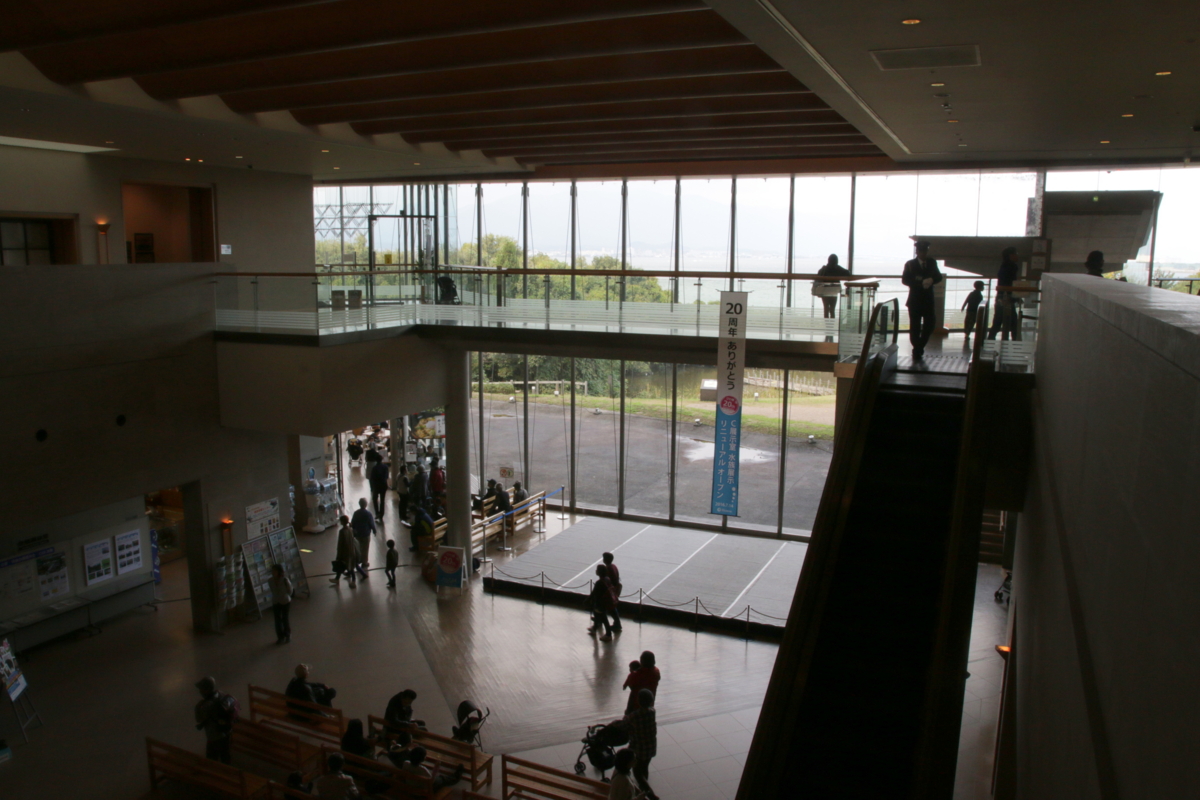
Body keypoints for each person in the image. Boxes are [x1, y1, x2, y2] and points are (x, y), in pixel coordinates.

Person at [901, 240, 943, 359]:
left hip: (928, 299)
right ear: (917, 251)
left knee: (930, 324)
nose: (923, 253)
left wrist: (931, 280)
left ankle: (919, 346)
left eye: (925, 251)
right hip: (915, 300)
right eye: (921, 251)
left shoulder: (932, 262)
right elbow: (905, 280)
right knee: (915, 326)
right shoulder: (910, 264)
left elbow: (938, 276)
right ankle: (917, 347)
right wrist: (920, 283)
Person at [624, 689, 659, 800]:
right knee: (644, 767)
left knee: (637, 773)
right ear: (651, 701)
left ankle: (650, 795)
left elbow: (625, 724)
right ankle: (645, 787)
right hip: (650, 748)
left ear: (638, 701)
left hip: (639, 749)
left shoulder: (633, 716)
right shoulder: (652, 712)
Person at [194, 676, 236, 764]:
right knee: (225, 755)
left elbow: (198, 719)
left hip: (214, 736)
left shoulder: (206, 705)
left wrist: (197, 707)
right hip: (226, 731)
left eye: (201, 689)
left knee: (211, 760)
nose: (200, 691)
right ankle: (228, 773)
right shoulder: (221, 695)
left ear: (207, 690)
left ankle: (215, 776)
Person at [988, 247, 1022, 341]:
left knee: (998, 321)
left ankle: (990, 340)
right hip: (1006, 297)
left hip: (1001, 296)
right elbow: (1010, 283)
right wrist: (1014, 296)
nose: (1017, 256)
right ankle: (1016, 343)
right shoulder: (1012, 266)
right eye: (1016, 253)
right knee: (1013, 323)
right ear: (1011, 255)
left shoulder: (1004, 266)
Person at [814, 253, 851, 319]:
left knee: (826, 308)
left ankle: (826, 325)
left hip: (824, 291)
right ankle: (831, 323)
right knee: (832, 309)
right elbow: (848, 273)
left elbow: (817, 278)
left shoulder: (823, 269)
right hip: (834, 291)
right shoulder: (837, 269)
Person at [588, 564, 617, 642]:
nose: (596, 571)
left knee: (603, 618)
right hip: (605, 602)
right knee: (598, 615)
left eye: (597, 570)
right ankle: (594, 628)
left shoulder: (599, 582)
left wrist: (588, 600)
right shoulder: (607, 579)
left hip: (600, 603)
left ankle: (608, 634)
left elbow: (594, 593)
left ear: (599, 572)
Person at [350, 498, 375, 577]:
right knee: (365, 548)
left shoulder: (356, 513)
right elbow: (371, 523)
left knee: (358, 548)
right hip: (366, 533)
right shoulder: (368, 514)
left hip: (358, 533)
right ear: (366, 504)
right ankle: (365, 562)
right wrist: (374, 530)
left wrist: (353, 530)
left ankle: (358, 560)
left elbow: (353, 523)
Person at [269, 564, 293, 644]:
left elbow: (290, 590)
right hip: (276, 601)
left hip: (285, 601)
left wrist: (285, 596)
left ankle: (287, 635)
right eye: (272, 571)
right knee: (277, 621)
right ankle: (280, 637)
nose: (273, 572)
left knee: (285, 619)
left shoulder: (285, 579)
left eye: (274, 571)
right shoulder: (270, 580)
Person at [332, 515, 358, 587]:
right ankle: (351, 580)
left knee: (341, 565)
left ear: (342, 522)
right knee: (351, 566)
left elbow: (340, 544)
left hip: (344, 552)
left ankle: (338, 579)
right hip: (351, 550)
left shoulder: (342, 532)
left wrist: (339, 554)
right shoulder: (350, 529)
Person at [602, 552, 623, 633]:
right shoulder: (613, 566)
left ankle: (617, 623)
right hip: (614, 590)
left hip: (611, 591)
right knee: (611, 608)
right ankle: (599, 619)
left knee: (611, 608)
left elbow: (609, 581)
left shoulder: (608, 569)